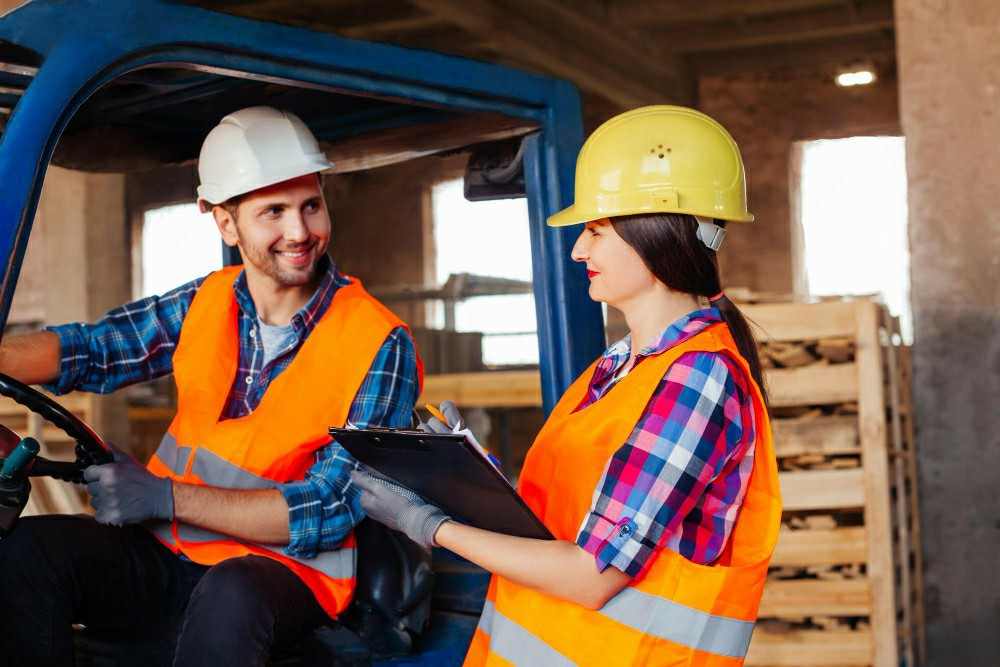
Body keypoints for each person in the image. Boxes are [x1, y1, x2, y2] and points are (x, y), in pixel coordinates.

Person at [353, 105, 782, 666]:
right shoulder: (621, 366)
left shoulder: (698, 380)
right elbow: (569, 521)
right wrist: (464, 474)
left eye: (596, 230)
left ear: (653, 233)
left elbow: (592, 576)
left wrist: (430, 526)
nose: (579, 249)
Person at [0, 106, 422, 666]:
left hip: (284, 573)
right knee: (32, 551)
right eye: (273, 211)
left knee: (234, 591)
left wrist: (163, 496)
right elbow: (94, 348)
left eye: (311, 206)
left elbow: (330, 507)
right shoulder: (206, 300)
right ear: (225, 222)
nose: (300, 232)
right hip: (168, 546)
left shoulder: (379, 342)